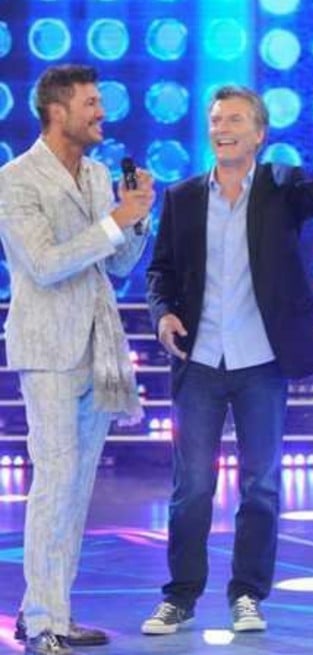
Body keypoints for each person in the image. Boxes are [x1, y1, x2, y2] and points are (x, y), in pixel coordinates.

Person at [142, 84, 313, 635]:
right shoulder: (184, 196)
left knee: (261, 485)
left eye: (236, 119)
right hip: (199, 360)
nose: (223, 128)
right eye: (217, 119)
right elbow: (160, 272)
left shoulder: (282, 185)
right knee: (192, 487)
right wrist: (163, 315)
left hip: (261, 361)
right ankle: (180, 596)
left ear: (259, 133)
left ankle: (247, 595)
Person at [0, 63, 153, 655]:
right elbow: (44, 265)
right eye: (90, 103)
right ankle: (43, 623)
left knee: (78, 485)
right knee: (55, 482)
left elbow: (115, 266)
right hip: (49, 349)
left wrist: (135, 219)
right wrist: (114, 222)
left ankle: (50, 611)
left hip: (99, 347)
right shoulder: (15, 180)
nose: (101, 112)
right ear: (57, 110)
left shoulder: (94, 174)